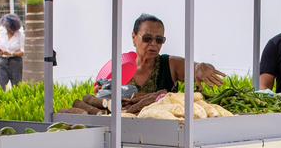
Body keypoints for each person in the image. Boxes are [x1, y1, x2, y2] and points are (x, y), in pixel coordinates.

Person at [96, 14, 226, 93]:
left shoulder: (170, 64)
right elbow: (102, 93)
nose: (153, 44)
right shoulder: (120, 66)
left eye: (159, 40)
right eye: (147, 38)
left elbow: (194, 68)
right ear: (134, 37)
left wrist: (200, 68)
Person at [0, 14, 25, 89]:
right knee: (0, 86)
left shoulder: (20, 34)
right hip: (3, 61)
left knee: (16, 87)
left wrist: (11, 54)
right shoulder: (2, 31)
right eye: (7, 28)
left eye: (11, 28)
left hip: (16, 63)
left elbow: (23, 52)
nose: (9, 30)